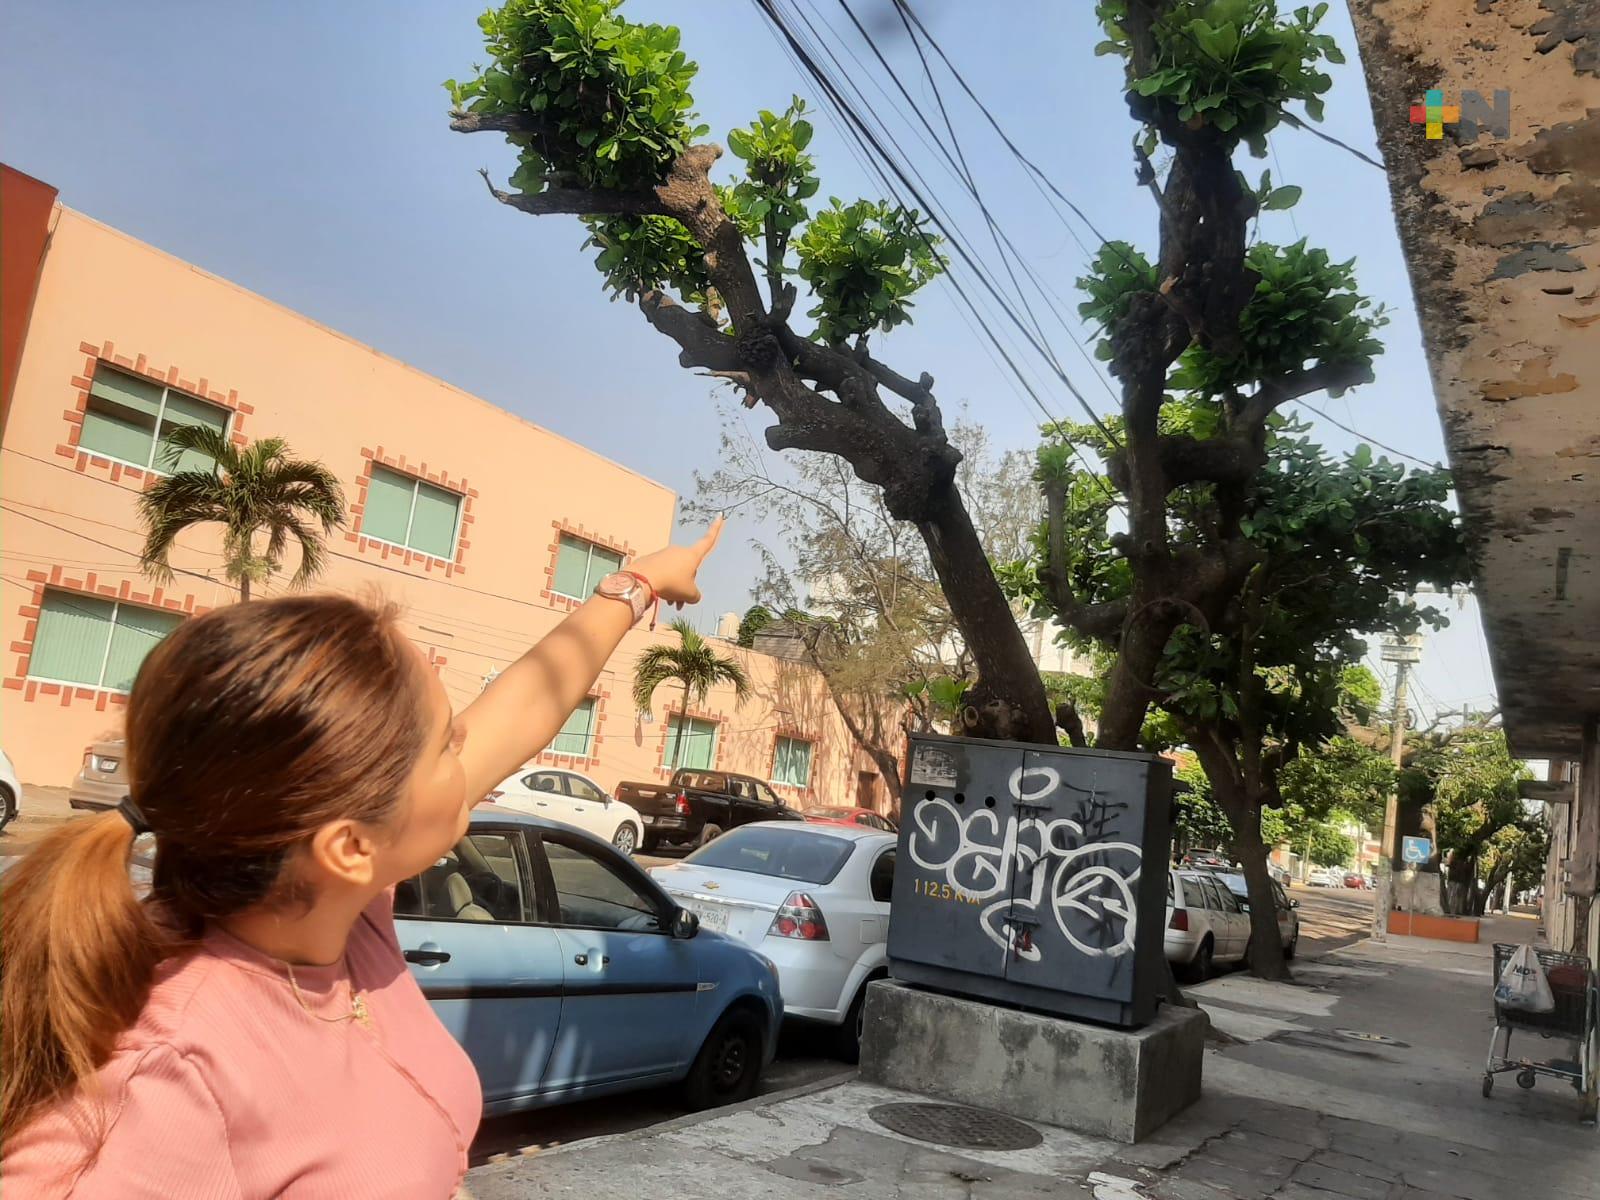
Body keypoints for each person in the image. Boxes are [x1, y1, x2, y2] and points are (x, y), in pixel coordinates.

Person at [0, 519, 724, 1198]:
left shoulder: (345, 914)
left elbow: (522, 706)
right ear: (348, 846)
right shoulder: (170, 1073)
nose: (473, 750)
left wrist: (640, 584)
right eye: (446, 744)